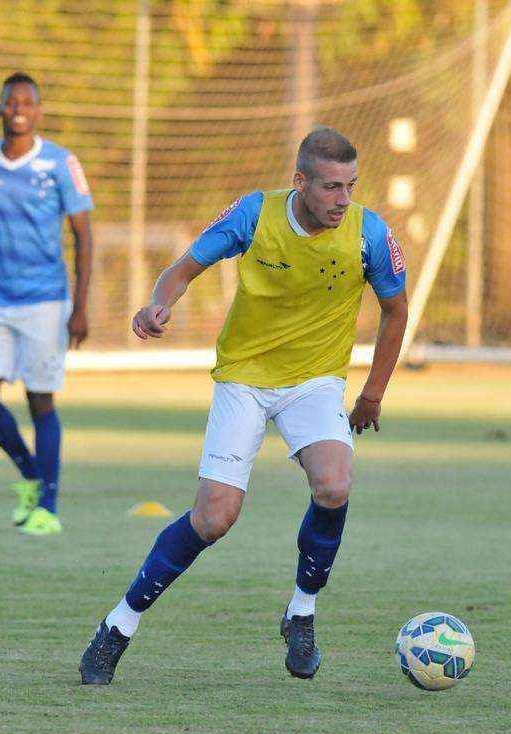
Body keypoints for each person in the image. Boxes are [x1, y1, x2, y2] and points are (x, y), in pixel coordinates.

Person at [78, 127, 408, 685]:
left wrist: (371, 393)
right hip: (245, 379)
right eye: (330, 187)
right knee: (214, 518)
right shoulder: (255, 215)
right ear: (299, 181)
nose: (342, 200)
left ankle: (301, 612)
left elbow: (396, 311)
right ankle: (118, 626)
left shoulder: (369, 233)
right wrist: (158, 305)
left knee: (334, 484)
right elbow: (182, 269)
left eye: (350, 186)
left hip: (315, 381)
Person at [0, 72, 94, 536]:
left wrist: (81, 305)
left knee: (40, 401)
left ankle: (48, 506)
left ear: (38, 110)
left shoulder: (60, 162)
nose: (19, 108)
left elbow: (84, 234)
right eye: (12, 101)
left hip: (47, 300)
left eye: (28, 101)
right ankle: (32, 474)